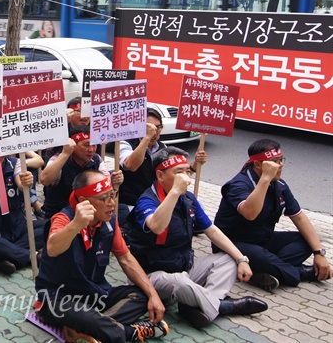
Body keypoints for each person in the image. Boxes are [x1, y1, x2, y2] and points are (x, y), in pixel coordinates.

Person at [127, 147, 268, 328]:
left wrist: (241, 258)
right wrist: (175, 192)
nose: (186, 177)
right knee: (179, 281)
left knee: (228, 259)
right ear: (160, 176)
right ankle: (224, 306)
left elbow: (212, 231)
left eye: (187, 171)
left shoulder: (189, 199)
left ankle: (198, 306)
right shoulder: (147, 200)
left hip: (184, 268)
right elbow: (156, 225)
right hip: (151, 277)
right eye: (179, 172)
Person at [35, 170, 169, 342]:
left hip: (93, 294)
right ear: (84, 201)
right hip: (59, 298)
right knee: (85, 316)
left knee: (143, 294)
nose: (111, 203)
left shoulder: (109, 221)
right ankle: (129, 332)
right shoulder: (63, 219)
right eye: (104, 198)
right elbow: (52, 248)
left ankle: (86, 329)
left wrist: (153, 295)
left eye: (112, 195)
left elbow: (126, 258)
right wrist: (76, 225)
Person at [214, 138, 332, 291]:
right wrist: (265, 178)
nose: (280, 165)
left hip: (263, 240)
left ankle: (264, 271)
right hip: (233, 244)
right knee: (261, 257)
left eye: (281, 160)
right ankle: (300, 273)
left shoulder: (279, 185)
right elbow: (250, 213)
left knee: (307, 241)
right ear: (258, 164)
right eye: (275, 161)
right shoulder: (239, 184)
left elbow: (299, 217)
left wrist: (319, 253)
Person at [119, 108, 206, 210]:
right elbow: (131, 166)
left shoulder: (163, 147)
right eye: (149, 127)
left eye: (158, 127)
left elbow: (173, 175)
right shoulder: (126, 143)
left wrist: (195, 165)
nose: (154, 132)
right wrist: (146, 138)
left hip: (158, 202)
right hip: (131, 204)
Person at [40, 125, 126, 224]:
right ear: (73, 145)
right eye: (86, 145)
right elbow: (45, 180)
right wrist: (65, 154)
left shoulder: (96, 159)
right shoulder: (59, 159)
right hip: (62, 214)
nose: (91, 149)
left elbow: (106, 189)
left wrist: (114, 184)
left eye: (94, 145)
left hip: (91, 211)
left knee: (122, 210)